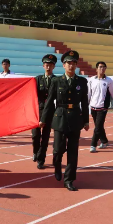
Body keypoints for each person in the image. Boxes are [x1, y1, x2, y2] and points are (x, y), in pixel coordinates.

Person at [40, 50, 89, 191]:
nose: (71, 66)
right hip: (60, 118)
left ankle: (69, 180)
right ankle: (57, 167)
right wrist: (43, 119)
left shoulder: (82, 81)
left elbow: (84, 102)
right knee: (58, 150)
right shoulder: (56, 81)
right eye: (68, 63)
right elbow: (49, 102)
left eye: (74, 63)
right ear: (63, 65)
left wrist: (86, 120)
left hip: (75, 118)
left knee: (73, 152)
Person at [88, 62, 113, 153]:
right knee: (99, 126)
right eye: (100, 67)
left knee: (97, 127)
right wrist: (85, 105)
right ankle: (104, 141)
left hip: (103, 108)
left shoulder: (108, 81)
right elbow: (89, 94)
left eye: (104, 67)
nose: (102, 69)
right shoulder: (91, 80)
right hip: (93, 106)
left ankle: (93, 145)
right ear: (96, 69)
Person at [32, 54, 57, 169]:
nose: (48, 66)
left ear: (53, 66)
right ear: (43, 66)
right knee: (35, 135)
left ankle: (41, 159)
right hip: (38, 110)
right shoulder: (37, 79)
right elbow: (32, 95)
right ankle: (36, 152)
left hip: (50, 111)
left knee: (45, 137)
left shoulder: (56, 80)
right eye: (46, 64)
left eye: (51, 64)